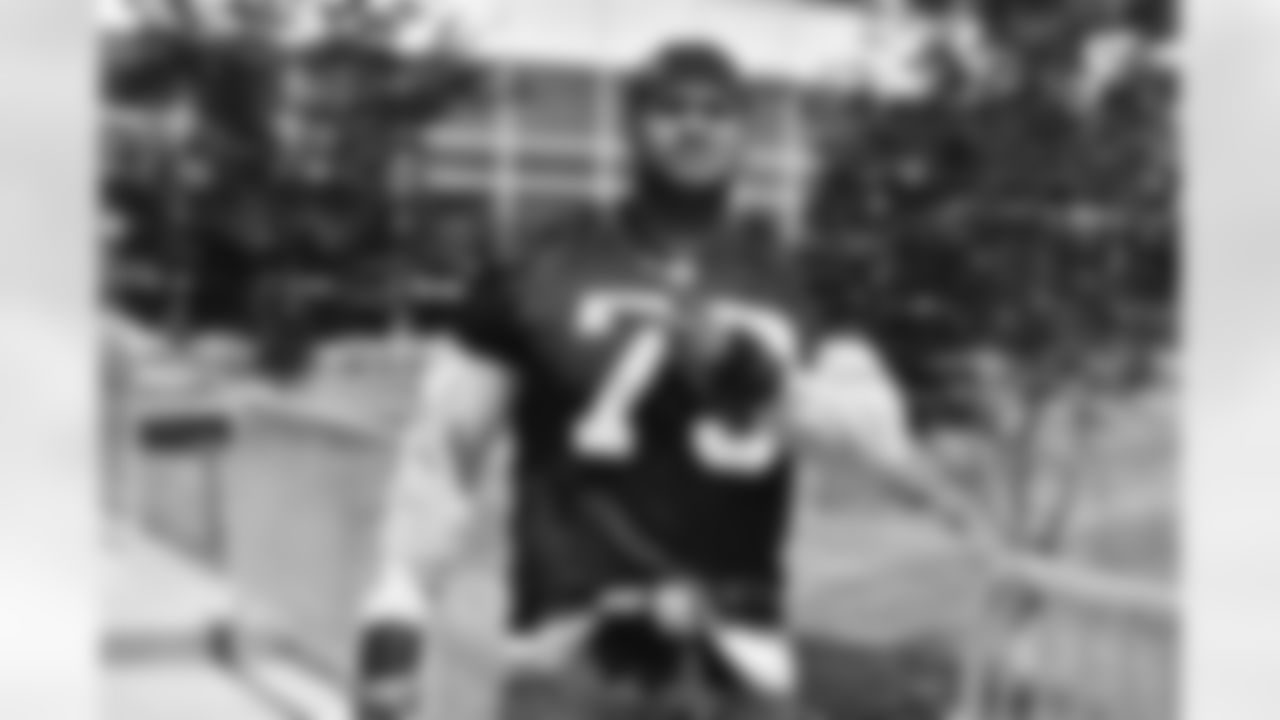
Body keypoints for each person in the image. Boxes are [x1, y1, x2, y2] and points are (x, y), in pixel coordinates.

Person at [352, 39, 982, 720]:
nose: (694, 127)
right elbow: (445, 450)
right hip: (568, 651)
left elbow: (880, 447)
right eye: (671, 109)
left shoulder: (796, 282)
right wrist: (398, 604)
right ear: (630, 123)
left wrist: (756, 379)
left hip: (737, 654)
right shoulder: (537, 266)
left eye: (716, 111)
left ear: (744, 131)